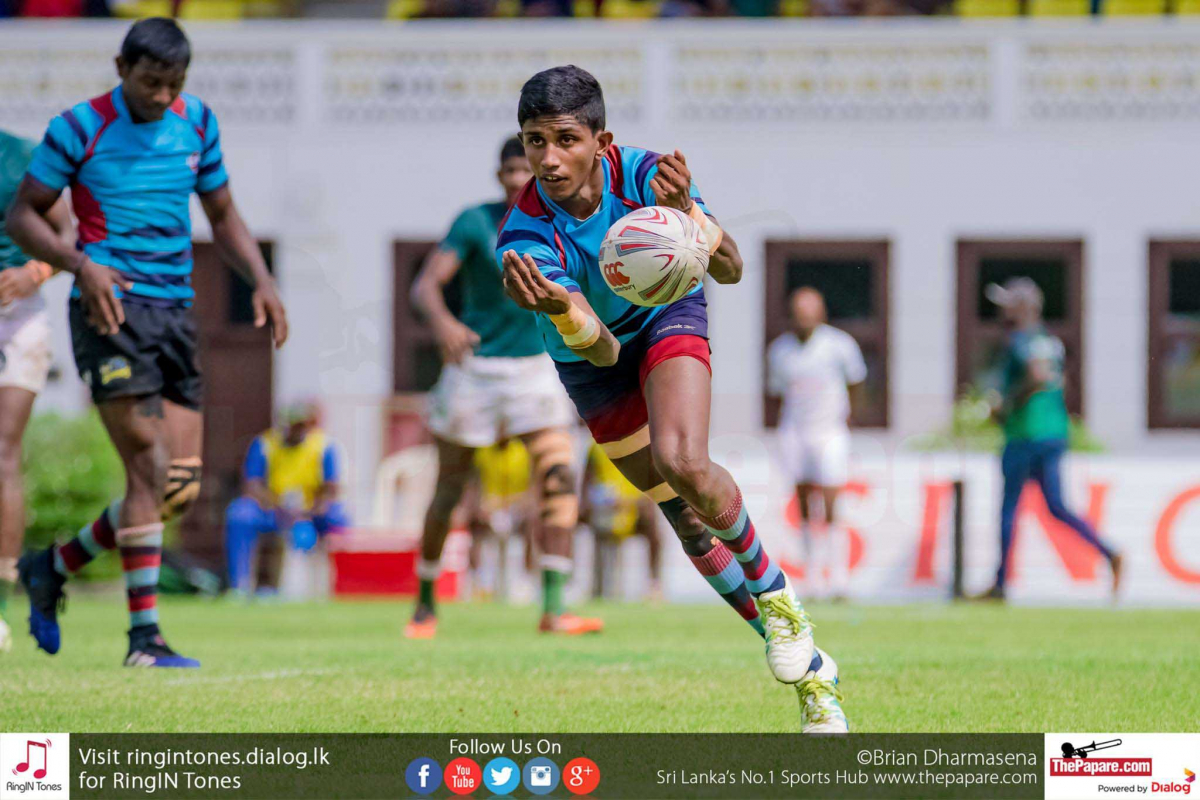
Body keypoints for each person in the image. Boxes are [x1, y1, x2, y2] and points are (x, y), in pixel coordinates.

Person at [497, 65, 846, 732]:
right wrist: (561, 310)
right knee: (683, 517)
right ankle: (809, 673)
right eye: (535, 141)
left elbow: (732, 269)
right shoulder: (524, 235)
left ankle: (778, 599)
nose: (549, 158)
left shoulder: (645, 175)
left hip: (665, 312)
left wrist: (689, 217)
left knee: (683, 460)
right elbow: (603, 352)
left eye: (565, 139)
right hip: (591, 358)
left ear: (602, 142)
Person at [8, 18, 288, 667]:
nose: (162, 96)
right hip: (109, 311)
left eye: (173, 84)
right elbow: (23, 215)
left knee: (176, 487)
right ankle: (144, 640)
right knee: (147, 464)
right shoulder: (78, 128)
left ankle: (53, 566)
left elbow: (222, 213)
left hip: (176, 312)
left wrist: (263, 280)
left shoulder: (198, 122)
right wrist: (80, 265)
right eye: (150, 82)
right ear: (121, 68)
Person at [405, 136, 601, 639]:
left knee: (560, 474)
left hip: (535, 367)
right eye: (510, 170)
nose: (518, 178)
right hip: (476, 368)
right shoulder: (475, 221)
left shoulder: (560, 221)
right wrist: (444, 324)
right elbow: (425, 286)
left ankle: (554, 607)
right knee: (449, 490)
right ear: (499, 176)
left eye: (524, 170)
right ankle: (425, 603)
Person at [976, 277, 1122, 602]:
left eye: (1008, 304)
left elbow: (1038, 375)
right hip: (1054, 432)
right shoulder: (1050, 341)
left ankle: (1000, 584)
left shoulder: (1022, 340)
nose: (1002, 311)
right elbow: (1060, 381)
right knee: (1056, 506)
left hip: (1025, 434)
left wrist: (1005, 405)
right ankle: (1108, 551)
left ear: (1024, 307)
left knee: (1009, 509)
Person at [0, 128, 73, 653]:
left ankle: (0, 607)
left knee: (2, 451)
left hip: (16, 316)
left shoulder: (23, 155)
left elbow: (66, 233)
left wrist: (36, 271)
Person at [767, 287, 866, 601]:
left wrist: (849, 417)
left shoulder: (839, 345)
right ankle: (811, 578)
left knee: (833, 500)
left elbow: (856, 383)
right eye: (799, 313)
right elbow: (776, 393)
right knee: (804, 503)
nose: (804, 319)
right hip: (795, 431)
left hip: (830, 430)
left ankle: (838, 578)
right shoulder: (780, 350)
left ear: (821, 314)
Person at [224, 401, 348, 596]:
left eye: (301, 425)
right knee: (241, 514)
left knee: (338, 515)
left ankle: (341, 584)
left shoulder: (324, 446)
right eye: (292, 425)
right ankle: (240, 585)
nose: (296, 430)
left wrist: (308, 513)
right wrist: (279, 507)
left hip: (311, 511)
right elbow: (252, 485)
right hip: (274, 509)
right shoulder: (265, 444)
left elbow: (330, 488)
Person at [580, 440, 662, 600]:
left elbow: (653, 482)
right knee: (595, 526)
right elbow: (588, 483)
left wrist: (634, 503)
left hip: (635, 507)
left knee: (653, 530)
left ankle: (654, 584)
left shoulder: (641, 442)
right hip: (607, 508)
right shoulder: (596, 447)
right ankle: (596, 588)